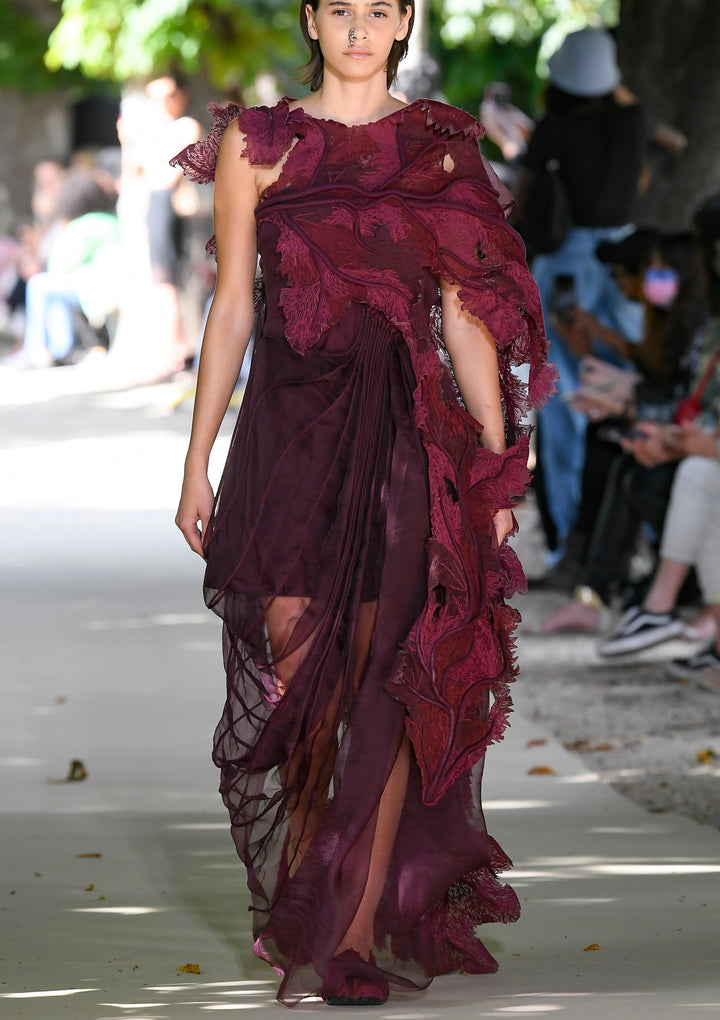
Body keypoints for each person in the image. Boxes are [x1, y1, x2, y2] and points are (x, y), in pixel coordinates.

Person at [173, 0, 552, 1008]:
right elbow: (234, 307)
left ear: (402, 25)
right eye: (339, 7)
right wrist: (196, 459)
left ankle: (338, 936)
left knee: (387, 688)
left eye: (378, 9)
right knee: (306, 691)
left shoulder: (437, 149)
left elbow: (468, 316)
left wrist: (492, 463)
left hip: (400, 446)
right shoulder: (260, 147)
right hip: (287, 443)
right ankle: (309, 902)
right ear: (311, 17)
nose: (357, 26)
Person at [518, 27, 647, 555]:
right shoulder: (633, 121)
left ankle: (569, 536)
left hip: (566, 266)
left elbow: (527, 195)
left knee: (565, 401)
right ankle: (622, 539)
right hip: (625, 265)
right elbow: (625, 98)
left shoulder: (554, 126)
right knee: (622, 392)